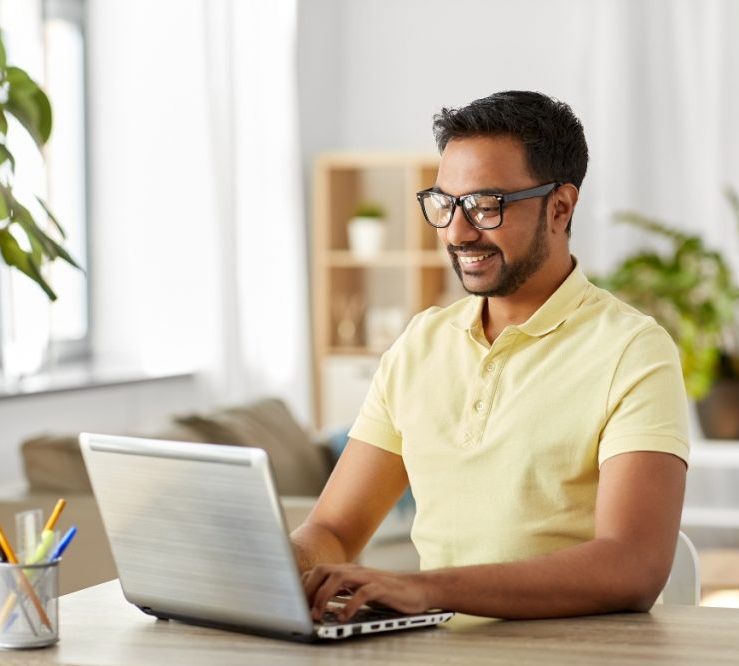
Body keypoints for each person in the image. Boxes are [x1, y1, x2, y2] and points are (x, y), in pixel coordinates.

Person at [292, 91, 689, 622]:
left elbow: (633, 565)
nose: (457, 232)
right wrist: (273, 566)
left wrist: (427, 588)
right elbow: (335, 529)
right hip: (434, 658)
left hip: (576, 662)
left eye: (486, 205)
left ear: (561, 207)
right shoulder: (420, 344)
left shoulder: (633, 351)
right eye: (446, 203)